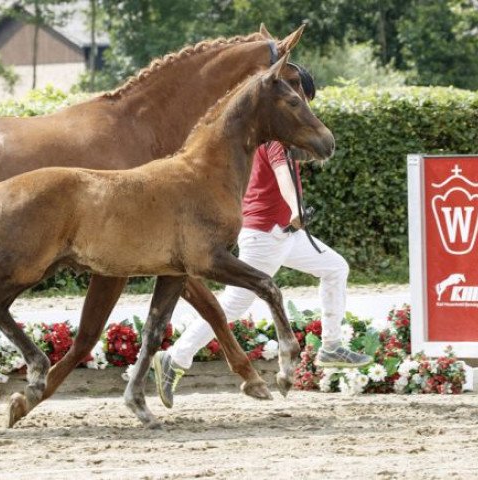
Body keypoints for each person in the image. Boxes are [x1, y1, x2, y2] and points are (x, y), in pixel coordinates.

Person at [153, 64, 372, 408]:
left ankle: (330, 346)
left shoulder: (282, 137)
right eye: (304, 101)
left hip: (285, 236)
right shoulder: (276, 140)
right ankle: (174, 358)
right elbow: (284, 175)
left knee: (335, 268)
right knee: (232, 307)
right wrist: (295, 208)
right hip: (265, 236)